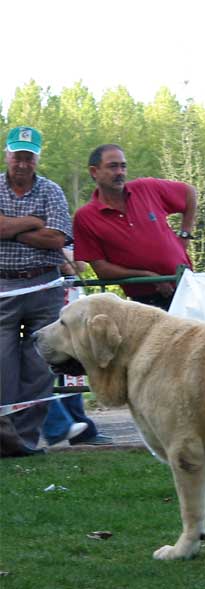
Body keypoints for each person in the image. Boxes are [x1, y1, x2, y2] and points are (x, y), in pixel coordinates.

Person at [0, 126, 72, 457]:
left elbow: (57, 240)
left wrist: (9, 229)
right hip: (2, 286)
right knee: (3, 365)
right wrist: (33, 222)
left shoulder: (52, 190)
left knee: (40, 366)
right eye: (17, 156)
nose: (22, 163)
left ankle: (24, 442)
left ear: (37, 158)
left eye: (29, 157)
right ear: (6, 155)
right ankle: (5, 438)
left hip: (45, 285)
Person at [73, 144, 197, 310]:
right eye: (112, 166)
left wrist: (184, 235)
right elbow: (102, 269)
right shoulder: (85, 217)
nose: (120, 172)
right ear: (94, 172)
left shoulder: (146, 188)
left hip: (186, 285)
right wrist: (147, 276)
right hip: (145, 300)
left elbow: (189, 193)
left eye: (123, 166)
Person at [41, 246, 113, 446]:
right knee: (39, 370)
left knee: (72, 370)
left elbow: (77, 265)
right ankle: (58, 426)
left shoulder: (60, 229)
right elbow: (69, 263)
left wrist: (64, 256)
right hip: (46, 309)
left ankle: (78, 427)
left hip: (66, 309)